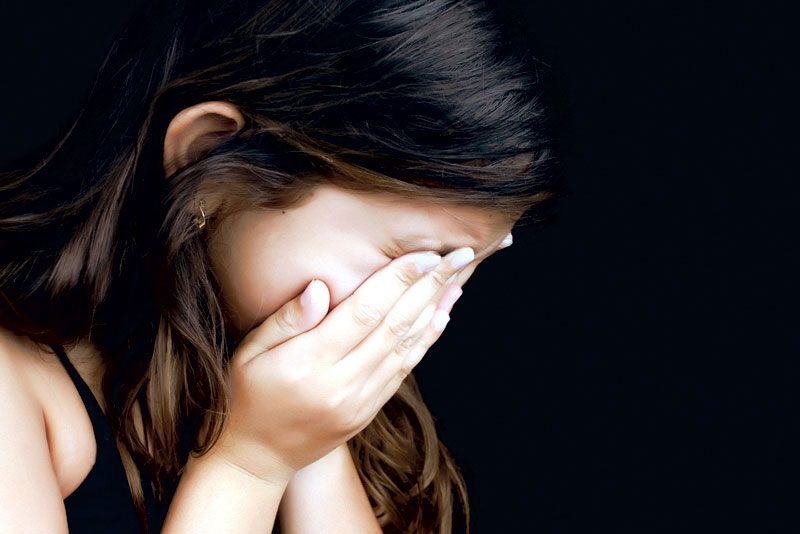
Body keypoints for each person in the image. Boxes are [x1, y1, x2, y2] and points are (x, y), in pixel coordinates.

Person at [0, 0, 556, 532]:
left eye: (459, 269)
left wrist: (311, 441)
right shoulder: (15, 391)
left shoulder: (314, 400)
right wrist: (251, 464)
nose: (419, 307)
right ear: (209, 157)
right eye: (410, 260)